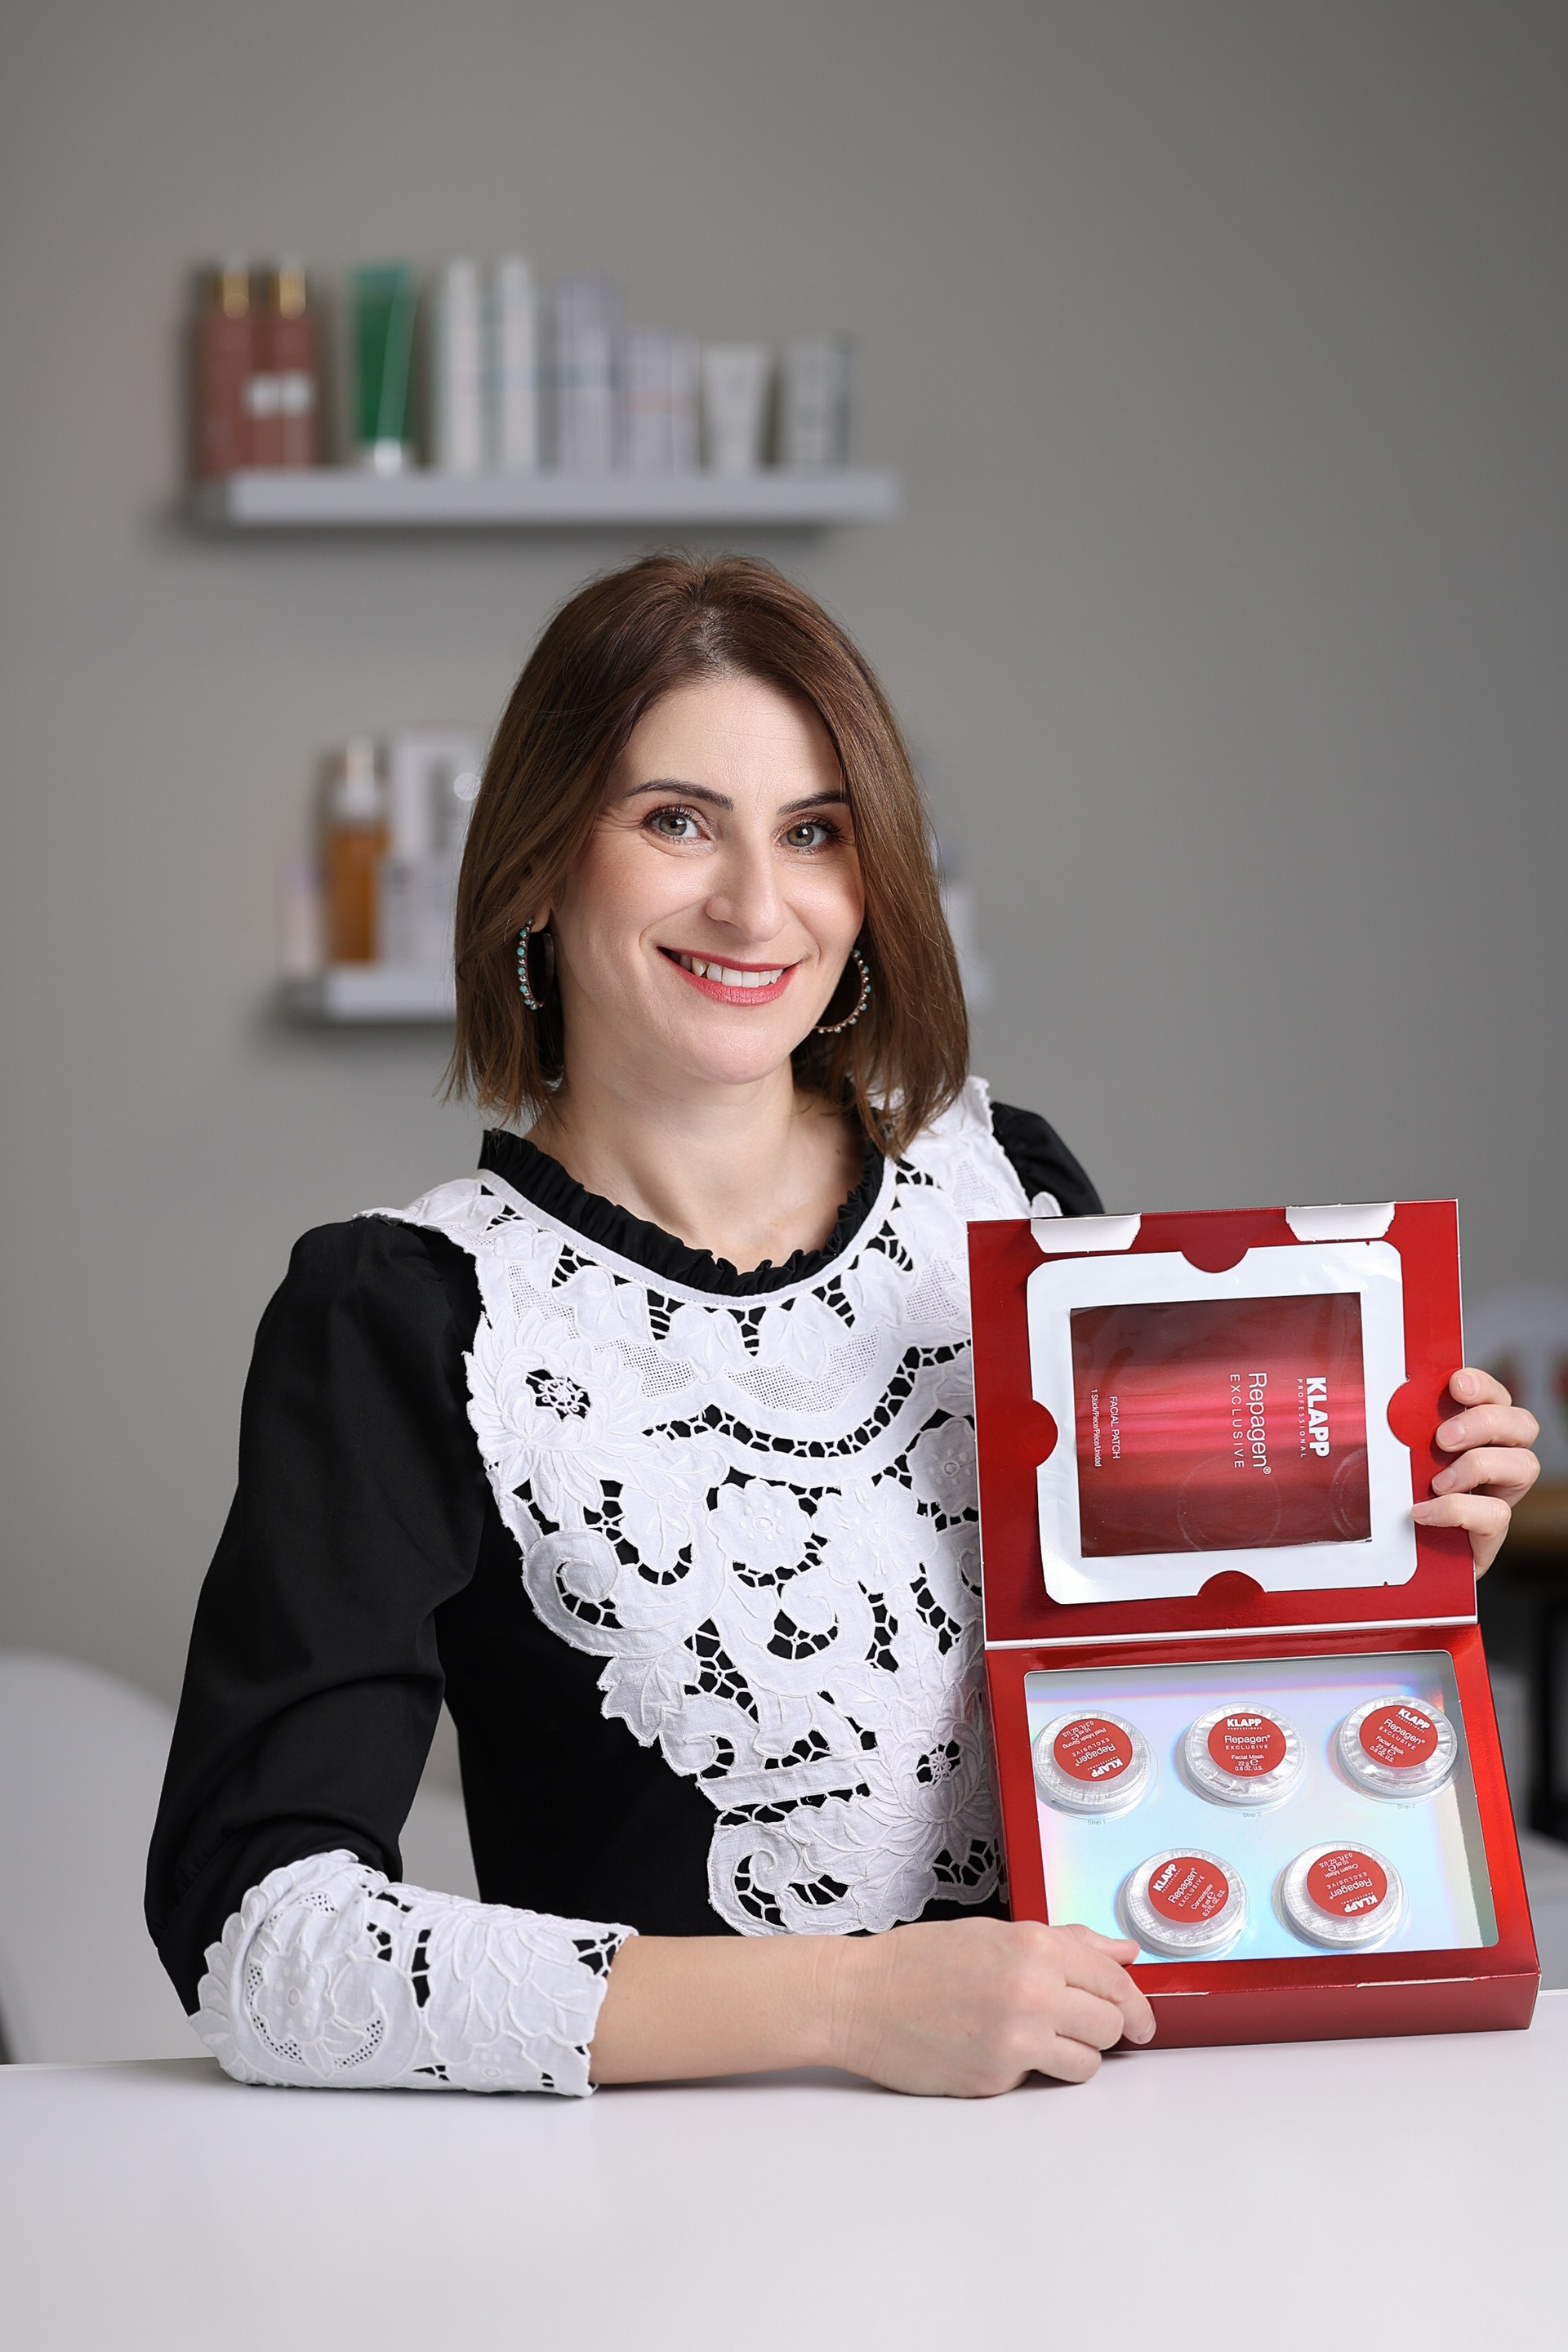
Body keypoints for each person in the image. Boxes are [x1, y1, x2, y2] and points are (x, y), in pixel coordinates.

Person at [145, 554, 1541, 2100]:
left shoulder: (1007, 1191)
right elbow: (265, 1946)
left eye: (814, 832)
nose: (757, 905)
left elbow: (1154, 1714)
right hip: (676, 2210)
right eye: (676, 821)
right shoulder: (406, 1316)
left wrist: (1375, 1563)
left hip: (1104, 2149)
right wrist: (848, 2007)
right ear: (538, 864)